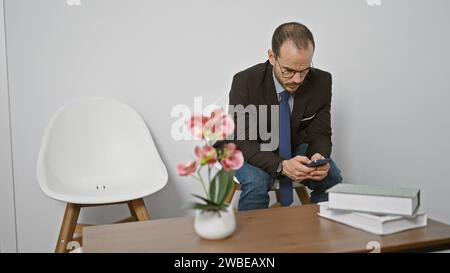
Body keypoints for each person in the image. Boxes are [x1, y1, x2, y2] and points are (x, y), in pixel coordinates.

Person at [227, 22, 342, 211]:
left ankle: (318, 235)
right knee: (256, 182)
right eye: (289, 71)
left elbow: (320, 133)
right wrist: (282, 165)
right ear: (272, 57)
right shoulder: (245, 82)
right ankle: (254, 240)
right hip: (252, 148)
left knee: (331, 177)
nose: (297, 79)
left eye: (304, 70)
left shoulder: (321, 81)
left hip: (294, 145)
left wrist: (319, 156)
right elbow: (242, 141)